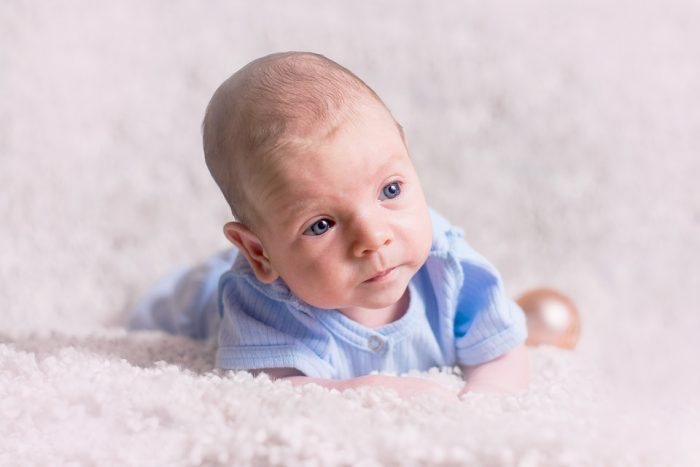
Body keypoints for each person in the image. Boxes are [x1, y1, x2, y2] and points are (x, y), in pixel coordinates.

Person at [130, 52, 529, 399]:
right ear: (257, 252)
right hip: (201, 295)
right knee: (173, 300)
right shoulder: (262, 303)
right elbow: (264, 389)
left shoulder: (451, 267)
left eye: (390, 190)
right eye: (321, 225)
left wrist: (485, 397)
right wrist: (376, 390)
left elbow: (503, 348)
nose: (374, 238)